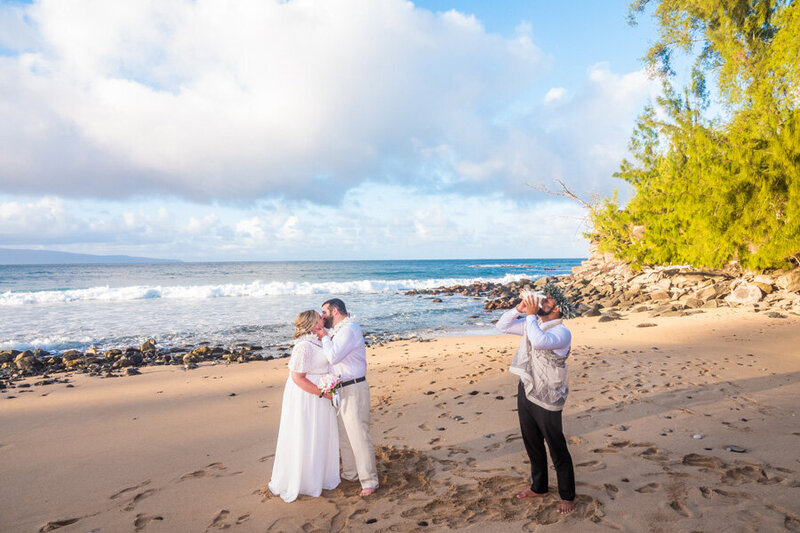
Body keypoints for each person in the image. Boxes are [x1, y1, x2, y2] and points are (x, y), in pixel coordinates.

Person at [496, 282, 578, 516]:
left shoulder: (561, 331)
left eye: (550, 301)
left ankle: (568, 495)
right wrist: (519, 309)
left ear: (558, 310)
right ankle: (539, 487)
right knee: (532, 442)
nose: (544, 301)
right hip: (527, 388)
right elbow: (502, 326)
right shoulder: (534, 324)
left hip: (549, 394)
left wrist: (531, 316)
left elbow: (540, 341)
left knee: (556, 446)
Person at [268, 310, 340, 502]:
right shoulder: (304, 347)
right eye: (319, 317)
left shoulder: (321, 339)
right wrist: (323, 393)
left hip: (321, 393)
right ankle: (304, 481)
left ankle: (319, 476)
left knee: (320, 434)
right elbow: (297, 378)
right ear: (312, 324)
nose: (323, 318)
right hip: (308, 397)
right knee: (307, 434)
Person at [313, 298, 379, 496]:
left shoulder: (350, 329)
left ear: (334, 311)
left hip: (354, 387)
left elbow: (334, 357)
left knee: (358, 435)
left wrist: (324, 337)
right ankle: (351, 473)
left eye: (324, 312)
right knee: (345, 435)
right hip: (340, 388)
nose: (322, 316)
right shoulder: (340, 331)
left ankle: (369, 480)